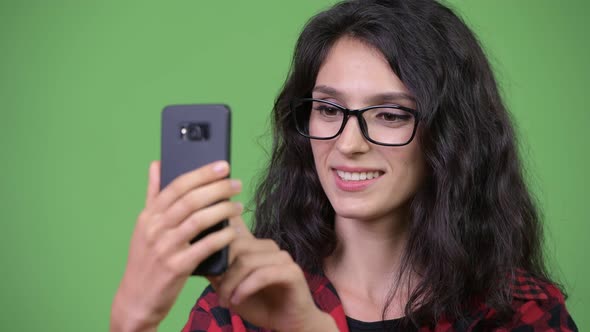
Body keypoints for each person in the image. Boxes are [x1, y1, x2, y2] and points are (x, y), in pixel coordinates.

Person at [110, 0, 578, 331]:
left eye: (391, 114)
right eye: (329, 110)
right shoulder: (239, 306)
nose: (348, 144)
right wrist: (131, 320)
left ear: (450, 135)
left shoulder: (522, 312)